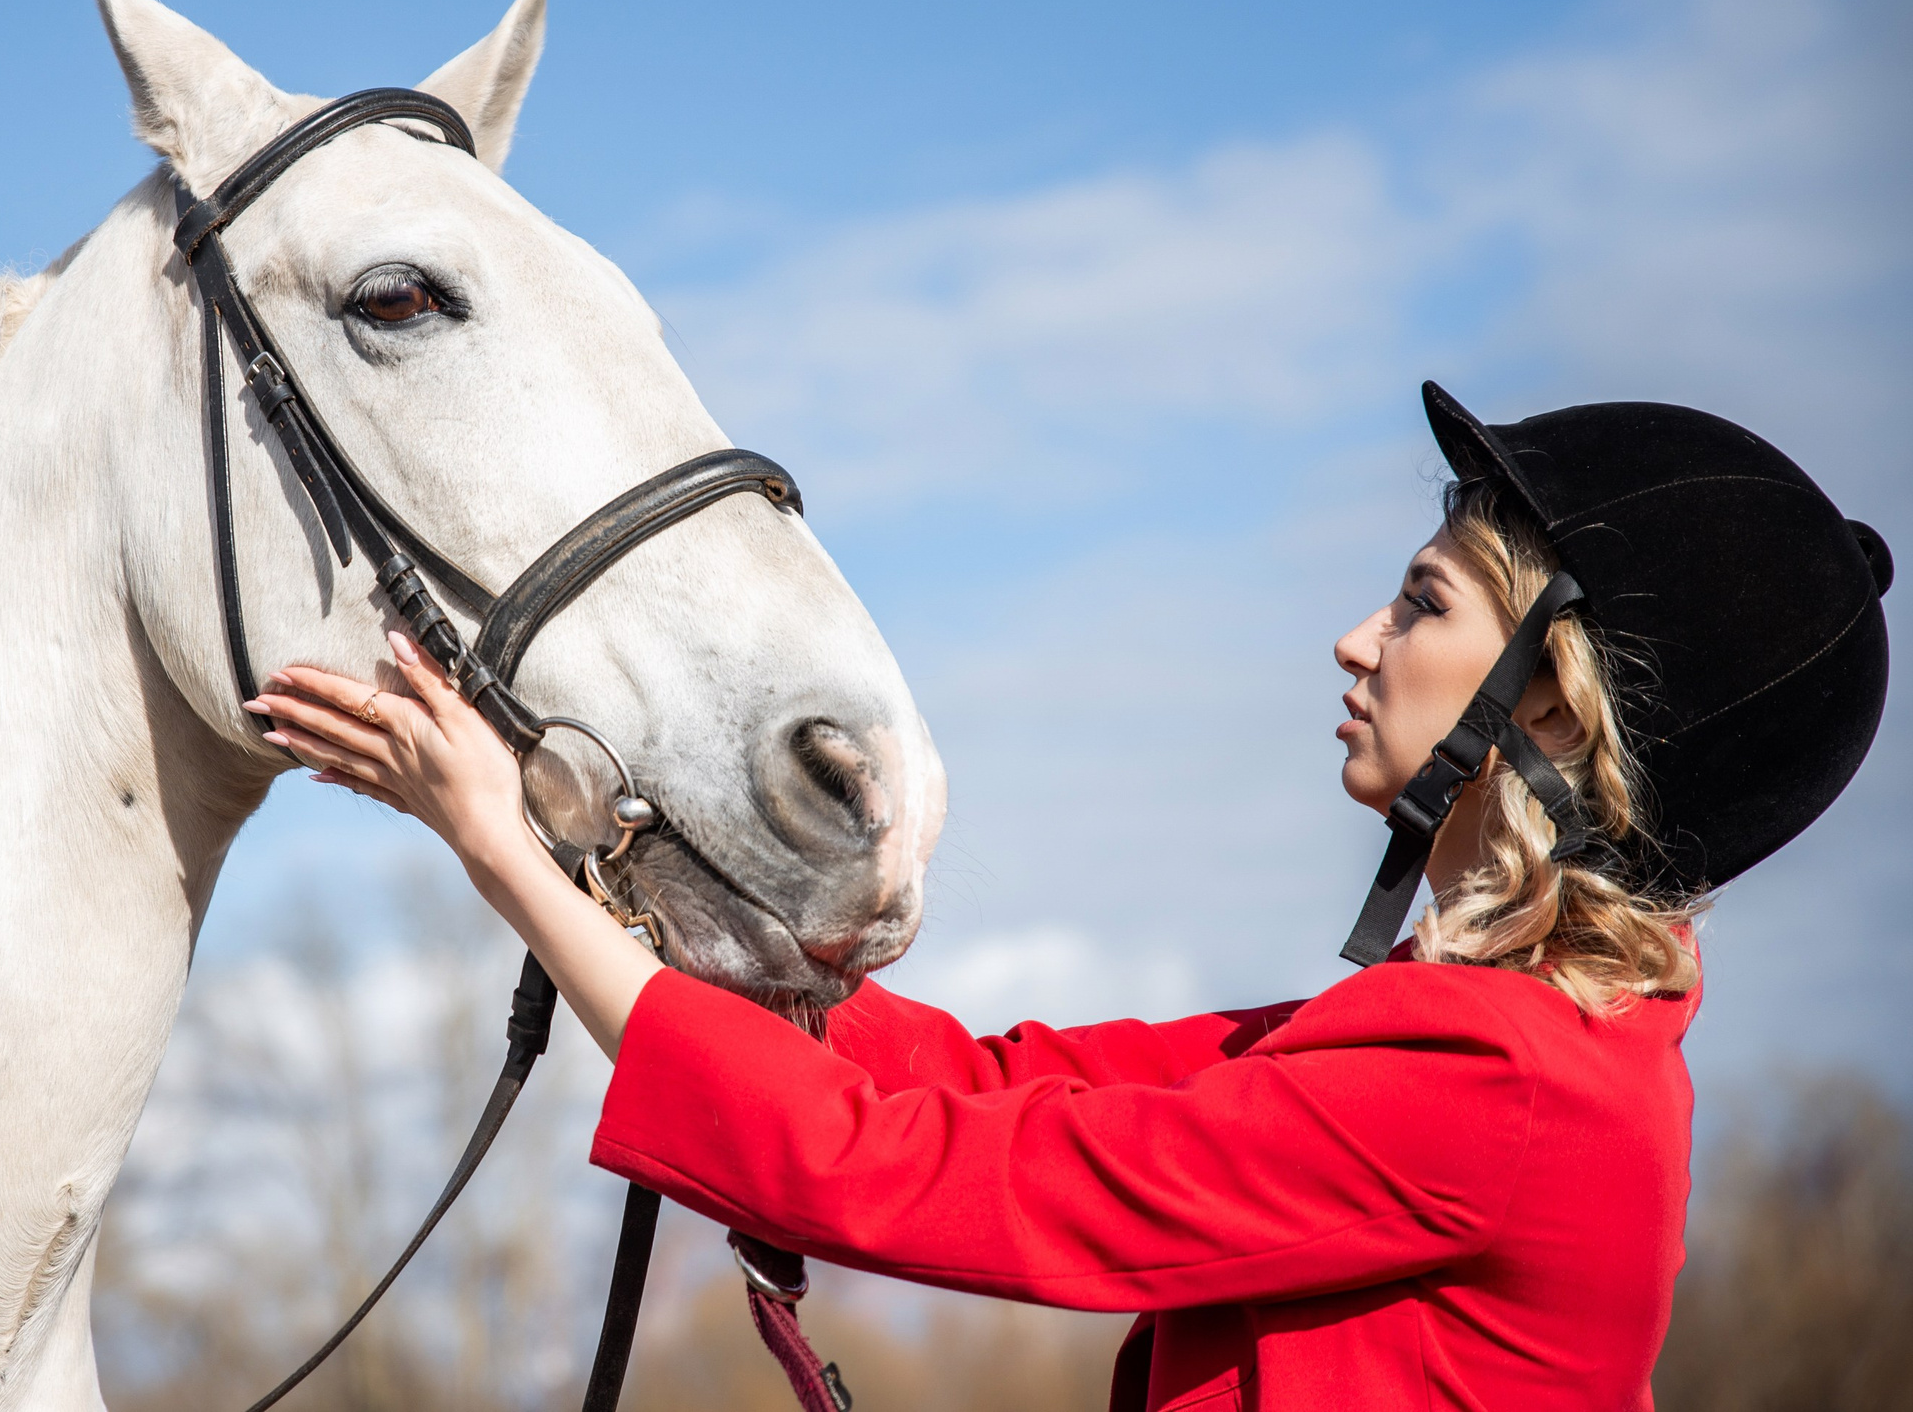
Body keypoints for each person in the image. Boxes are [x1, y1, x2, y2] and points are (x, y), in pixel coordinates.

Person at [244, 383, 1892, 1411]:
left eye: (1423, 601)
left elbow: (906, 1169)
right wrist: (603, 861)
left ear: (1556, 708)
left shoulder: (1500, 1083)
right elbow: (993, 1085)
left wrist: (502, 857)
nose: (1358, 639)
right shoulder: (1491, 1049)